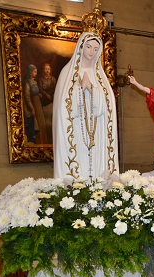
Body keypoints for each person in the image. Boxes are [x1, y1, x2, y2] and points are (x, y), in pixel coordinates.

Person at [53, 33, 119, 179]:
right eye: (88, 47)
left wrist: (92, 89)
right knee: (79, 163)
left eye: (96, 49)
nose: (91, 52)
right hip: (77, 128)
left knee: (97, 166)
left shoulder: (100, 75)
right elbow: (63, 104)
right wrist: (80, 89)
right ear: (81, 47)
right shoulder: (67, 72)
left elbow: (108, 104)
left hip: (97, 130)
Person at [23, 64, 48, 144]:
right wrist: (32, 108)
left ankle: (43, 142)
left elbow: (35, 92)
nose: (36, 73)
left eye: (36, 72)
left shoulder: (35, 82)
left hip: (38, 104)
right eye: (35, 72)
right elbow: (27, 97)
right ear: (30, 72)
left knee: (42, 123)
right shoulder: (27, 83)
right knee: (37, 124)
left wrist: (38, 95)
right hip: (34, 104)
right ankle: (39, 142)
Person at [38, 62, 56, 143]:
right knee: (47, 124)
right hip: (45, 104)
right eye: (46, 69)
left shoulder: (53, 79)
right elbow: (40, 89)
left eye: (49, 69)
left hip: (52, 103)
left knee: (54, 122)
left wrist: (51, 95)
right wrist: (46, 95)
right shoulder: (41, 79)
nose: (47, 70)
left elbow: (55, 89)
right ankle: (48, 141)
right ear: (43, 70)